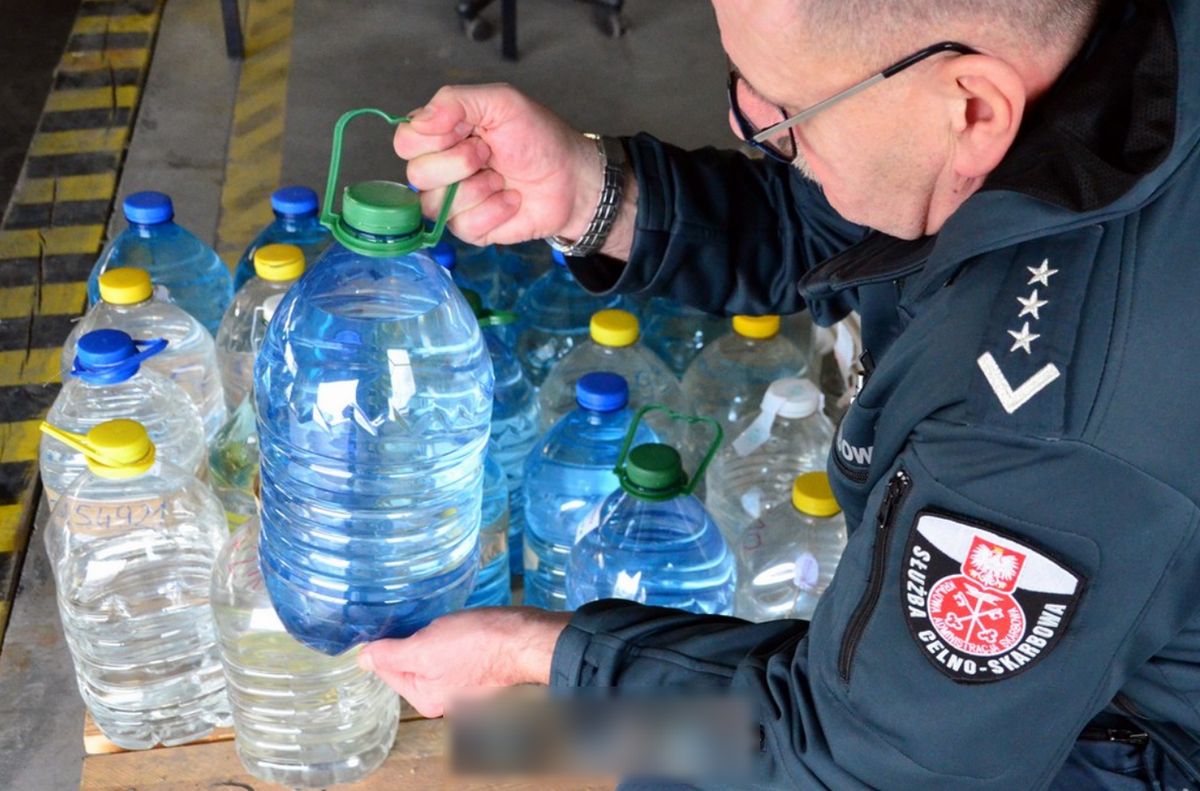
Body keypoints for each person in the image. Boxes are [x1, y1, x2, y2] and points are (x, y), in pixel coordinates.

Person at [357, 0, 1200, 786]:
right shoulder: (1117, 59)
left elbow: (854, 763)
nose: (745, 125)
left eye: (785, 113)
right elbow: (870, 219)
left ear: (974, 107)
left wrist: (535, 657)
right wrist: (594, 194)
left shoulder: (1051, 439)